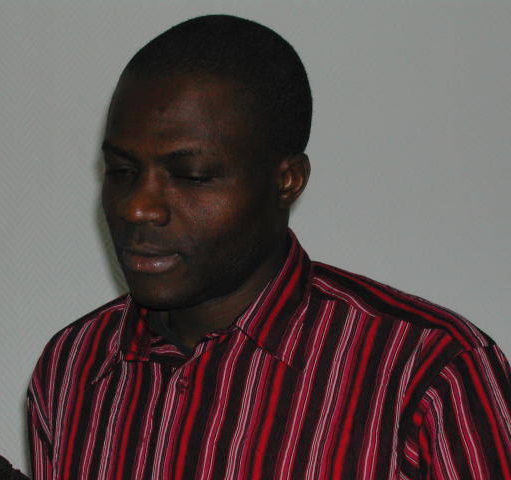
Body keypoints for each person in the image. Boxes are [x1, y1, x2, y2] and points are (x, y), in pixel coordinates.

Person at [27, 15, 511, 479]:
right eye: (121, 171)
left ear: (287, 181)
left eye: (191, 176)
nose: (137, 208)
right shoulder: (72, 367)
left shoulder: (430, 373)